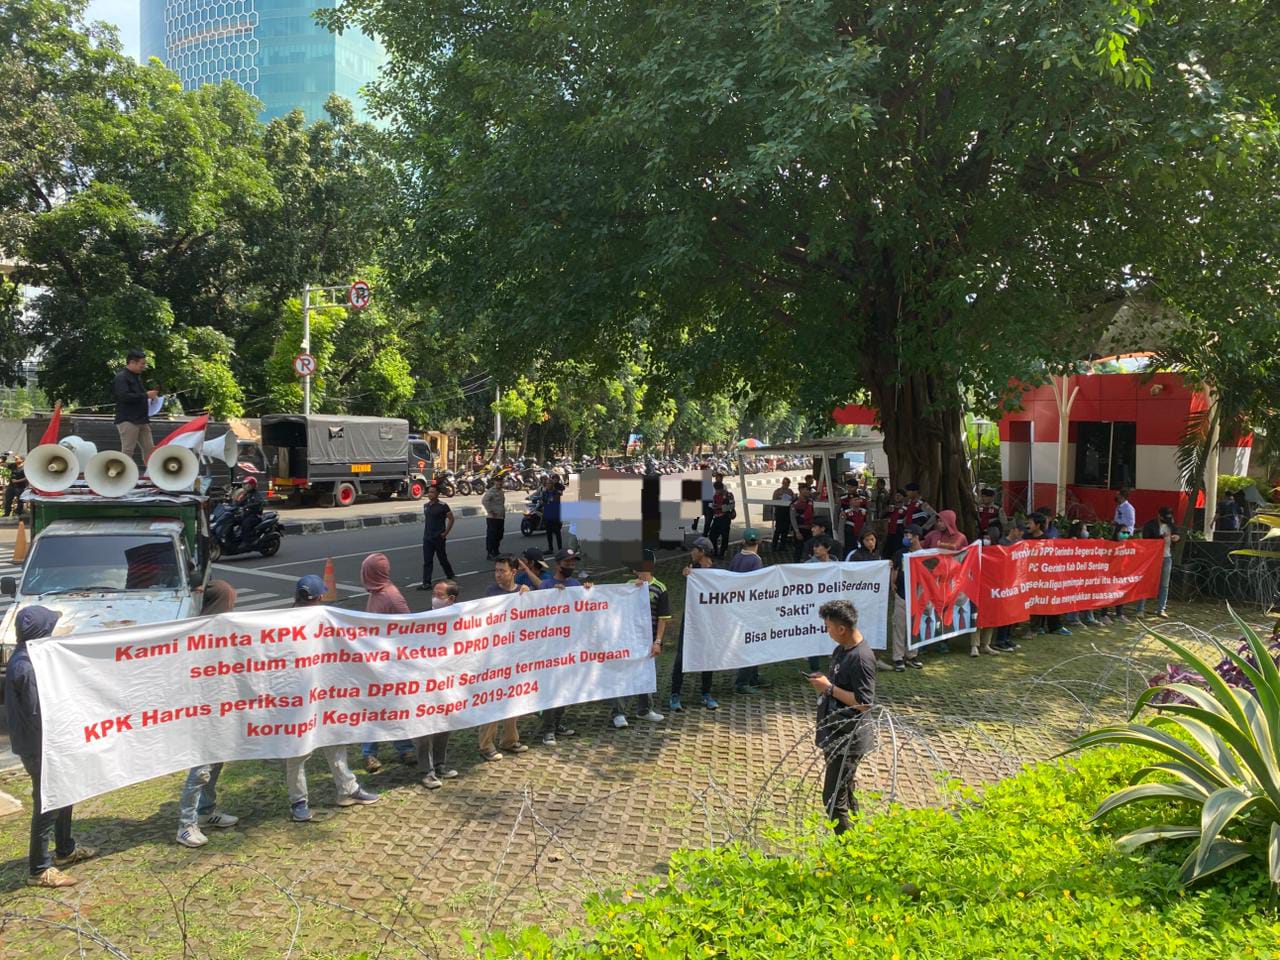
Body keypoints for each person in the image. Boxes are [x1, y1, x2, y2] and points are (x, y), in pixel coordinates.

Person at [5, 605, 97, 887]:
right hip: (40, 746)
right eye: (51, 628)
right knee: (47, 803)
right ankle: (39, 869)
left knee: (64, 793)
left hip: (46, 743)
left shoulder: (27, 657)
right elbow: (37, 713)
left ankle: (65, 850)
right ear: (42, 632)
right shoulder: (28, 667)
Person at [283, 575, 379, 821]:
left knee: (335, 740)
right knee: (298, 752)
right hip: (299, 699)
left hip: (324, 693)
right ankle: (299, 802)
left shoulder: (313, 618)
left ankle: (347, 789)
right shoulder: (293, 622)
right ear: (316, 597)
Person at [176, 581, 243, 847]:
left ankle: (206, 811)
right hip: (201, 714)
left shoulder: (222, 630)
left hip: (220, 710)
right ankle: (185, 824)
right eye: (230, 602)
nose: (233, 607)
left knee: (216, 763)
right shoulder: (197, 634)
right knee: (201, 769)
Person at [806, 600, 876, 834]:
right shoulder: (841, 650)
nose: (828, 632)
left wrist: (828, 688)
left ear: (842, 629)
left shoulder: (861, 658)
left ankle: (848, 851)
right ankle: (860, 839)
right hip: (835, 733)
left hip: (849, 738)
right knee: (844, 790)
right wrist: (825, 682)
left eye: (828, 627)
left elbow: (865, 704)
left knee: (833, 798)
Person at [360, 553, 416, 772]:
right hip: (375, 662)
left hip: (390, 664)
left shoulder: (392, 596)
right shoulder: (376, 593)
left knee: (392, 707)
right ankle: (371, 753)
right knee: (374, 707)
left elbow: (410, 626)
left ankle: (403, 748)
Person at [478, 557, 533, 760]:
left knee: (514, 698)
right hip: (495, 657)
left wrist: (527, 597)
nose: (498, 574)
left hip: (516, 654)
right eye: (496, 570)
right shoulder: (492, 593)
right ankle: (486, 745)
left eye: (502, 570)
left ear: (514, 571)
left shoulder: (524, 591)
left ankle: (509, 740)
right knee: (493, 700)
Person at [610, 549, 668, 728]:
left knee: (646, 675)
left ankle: (644, 710)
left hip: (649, 641)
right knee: (623, 675)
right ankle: (619, 713)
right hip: (628, 639)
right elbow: (614, 608)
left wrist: (658, 641)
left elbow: (663, 618)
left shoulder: (660, 588)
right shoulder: (628, 585)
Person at [418, 580, 460, 788]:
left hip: (448, 681)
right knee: (425, 728)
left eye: (439, 595)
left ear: (451, 599)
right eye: (434, 593)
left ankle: (440, 764)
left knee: (445, 724)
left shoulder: (462, 617)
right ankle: (427, 771)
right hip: (425, 683)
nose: (434, 597)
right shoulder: (422, 618)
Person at [669, 537, 720, 711]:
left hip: (710, 621)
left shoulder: (718, 572)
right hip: (691, 619)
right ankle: (675, 694)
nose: (691, 552)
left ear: (702, 552)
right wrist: (687, 575)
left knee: (708, 656)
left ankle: (706, 694)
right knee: (682, 655)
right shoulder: (693, 569)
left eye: (695, 549)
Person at [730, 531, 766, 693]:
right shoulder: (755, 560)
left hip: (738, 605)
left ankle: (753, 676)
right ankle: (743, 682)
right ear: (759, 542)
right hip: (751, 608)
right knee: (752, 644)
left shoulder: (737, 557)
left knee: (751, 642)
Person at [890, 525, 926, 671]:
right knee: (899, 625)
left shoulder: (925, 554)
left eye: (908, 534)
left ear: (917, 537)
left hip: (918, 595)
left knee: (915, 626)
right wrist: (892, 583)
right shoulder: (900, 553)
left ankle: (912, 655)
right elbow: (895, 570)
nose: (906, 537)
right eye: (905, 534)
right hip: (902, 594)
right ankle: (898, 657)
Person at [113, 348, 159, 461]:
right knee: (128, 450)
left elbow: (140, 396)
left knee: (150, 450)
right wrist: (146, 395)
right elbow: (124, 396)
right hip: (128, 420)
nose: (143, 366)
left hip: (142, 419)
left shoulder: (137, 377)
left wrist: (151, 398)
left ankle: (152, 474)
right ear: (132, 362)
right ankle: (121, 475)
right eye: (142, 364)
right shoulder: (121, 377)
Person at [1138, 507, 1180, 618]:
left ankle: (1161, 609)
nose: (1167, 520)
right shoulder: (1150, 525)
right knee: (1146, 582)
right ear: (1159, 516)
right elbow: (1146, 540)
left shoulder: (1171, 525)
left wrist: (1176, 537)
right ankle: (1140, 609)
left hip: (1166, 556)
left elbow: (1177, 533)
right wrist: (1161, 538)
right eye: (1165, 517)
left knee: (1164, 584)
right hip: (1152, 558)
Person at [419, 484, 456, 588]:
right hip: (427, 538)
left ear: (437, 494)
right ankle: (426, 582)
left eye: (432, 492)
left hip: (439, 537)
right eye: (429, 492)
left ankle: (450, 574)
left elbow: (451, 519)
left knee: (442, 558)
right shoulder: (426, 506)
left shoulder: (443, 506)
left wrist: (445, 533)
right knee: (427, 560)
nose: (429, 494)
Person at [708, 481, 735, 559]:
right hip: (716, 518)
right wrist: (713, 506)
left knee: (724, 536)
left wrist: (720, 507)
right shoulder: (715, 496)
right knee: (712, 536)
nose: (717, 491)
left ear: (722, 489)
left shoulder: (729, 495)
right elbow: (713, 504)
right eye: (716, 490)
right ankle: (715, 551)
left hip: (725, 518)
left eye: (718, 490)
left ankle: (722, 552)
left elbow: (732, 506)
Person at [481, 478, 506, 560]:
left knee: (499, 535)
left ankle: (496, 550)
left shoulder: (501, 491)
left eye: (501, 481)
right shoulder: (491, 491)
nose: (500, 483)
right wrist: (490, 511)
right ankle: (490, 553)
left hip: (500, 516)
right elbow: (484, 501)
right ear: (495, 482)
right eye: (498, 481)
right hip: (493, 518)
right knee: (492, 536)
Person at [883, 488, 910, 561]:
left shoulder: (906, 509)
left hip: (899, 533)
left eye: (900, 495)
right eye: (896, 495)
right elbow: (881, 516)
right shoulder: (891, 508)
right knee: (887, 553)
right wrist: (887, 511)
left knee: (898, 551)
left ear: (904, 498)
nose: (897, 497)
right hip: (890, 534)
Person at [770, 478, 796, 553]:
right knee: (778, 530)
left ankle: (782, 546)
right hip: (779, 511)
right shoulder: (777, 491)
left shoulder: (790, 491)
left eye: (787, 483)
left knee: (785, 530)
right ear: (782, 483)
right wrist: (780, 499)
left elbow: (793, 500)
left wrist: (792, 498)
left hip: (787, 511)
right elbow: (773, 501)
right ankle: (774, 546)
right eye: (784, 483)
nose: (786, 485)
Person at [541, 475, 565, 553]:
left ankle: (560, 548)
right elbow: (544, 502)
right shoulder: (544, 493)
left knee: (557, 532)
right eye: (547, 484)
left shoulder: (556, 492)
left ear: (552, 485)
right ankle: (550, 549)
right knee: (549, 533)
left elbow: (555, 503)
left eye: (550, 483)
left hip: (555, 515)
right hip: (547, 514)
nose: (548, 485)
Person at [791, 484, 815, 562]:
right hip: (800, 529)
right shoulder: (795, 504)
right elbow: (793, 519)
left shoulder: (810, 501)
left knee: (811, 549)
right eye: (807, 490)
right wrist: (797, 532)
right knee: (798, 550)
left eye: (809, 490)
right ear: (801, 490)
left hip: (810, 529)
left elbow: (813, 514)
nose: (808, 491)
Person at [3, 453, 27, 517]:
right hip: (11, 486)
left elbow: (26, 478)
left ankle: (18, 513)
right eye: (15, 459)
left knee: (20, 501)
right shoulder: (13, 465)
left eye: (17, 458)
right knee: (8, 500)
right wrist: (5, 455)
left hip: (20, 487)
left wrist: (17, 481)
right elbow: (2, 463)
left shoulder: (25, 467)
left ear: (22, 460)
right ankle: (6, 514)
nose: (15, 459)